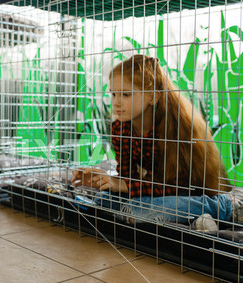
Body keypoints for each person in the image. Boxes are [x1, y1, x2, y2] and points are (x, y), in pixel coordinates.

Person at [71, 54, 241, 230]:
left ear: (153, 97)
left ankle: (224, 207)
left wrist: (122, 185)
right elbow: (127, 176)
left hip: (186, 191)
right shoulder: (119, 128)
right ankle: (189, 218)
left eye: (126, 94)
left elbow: (172, 186)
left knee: (137, 211)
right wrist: (100, 180)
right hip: (153, 191)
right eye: (113, 94)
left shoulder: (174, 128)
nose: (116, 102)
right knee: (103, 200)